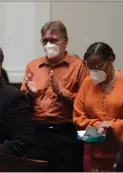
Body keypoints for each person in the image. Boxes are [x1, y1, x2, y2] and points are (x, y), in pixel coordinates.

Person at [21, 20, 88, 171]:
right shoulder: (33, 66)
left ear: (65, 42)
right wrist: (31, 95)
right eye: (45, 41)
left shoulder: (79, 66)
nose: (48, 45)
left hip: (67, 133)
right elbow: (21, 104)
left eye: (53, 40)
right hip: (37, 133)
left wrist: (61, 93)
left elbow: (86, 104)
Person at [73, 42, 123, 171]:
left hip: (119, 154)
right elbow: (78, 116)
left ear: (110, 60)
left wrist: (111, 126)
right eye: (89, 68)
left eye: (96, 67)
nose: (92, 72)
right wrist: (97, 125)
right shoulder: (87, 83)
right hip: (93, 154)